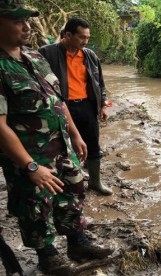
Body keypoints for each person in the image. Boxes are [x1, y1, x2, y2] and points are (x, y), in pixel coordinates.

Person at [0, 1, 113, 274]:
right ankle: (47, 256)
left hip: (61, 145)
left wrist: (75, 135)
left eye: (28, 20)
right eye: (18, 21)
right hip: (29, 156)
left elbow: (57, 101)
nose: (27, 27)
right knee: (36, 205)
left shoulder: (35, 58)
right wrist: (29, 165)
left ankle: (77, 241)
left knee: (75, 188)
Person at [39, 18, 112, 195]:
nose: (85, 42)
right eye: (82, 37)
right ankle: (66, 186)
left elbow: (99, 83)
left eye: (87, 37)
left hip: (87, 106)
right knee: (62, 147)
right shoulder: (46, 53)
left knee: (92, 145)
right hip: (60, 108)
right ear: (68, 35)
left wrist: (102, 105)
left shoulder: (89, 56)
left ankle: (95, 182)